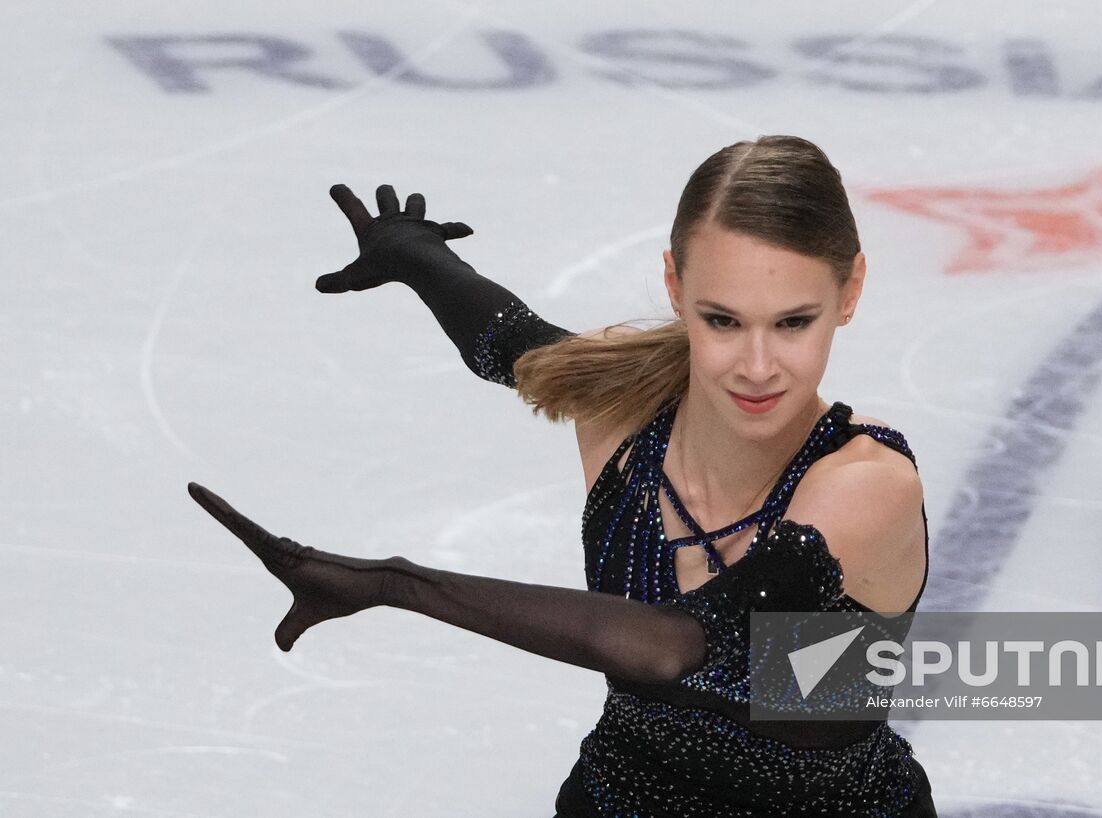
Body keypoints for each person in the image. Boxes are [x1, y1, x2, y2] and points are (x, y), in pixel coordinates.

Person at [187, 135, 937, 816]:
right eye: (722, 319)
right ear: (675, 287)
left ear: (851, 292)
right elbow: (507, 340)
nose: (758, 365)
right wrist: (417, 257)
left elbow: (681, 645)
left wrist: (396, 584)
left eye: (793, 322)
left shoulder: (866, 484)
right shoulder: (621, 406)